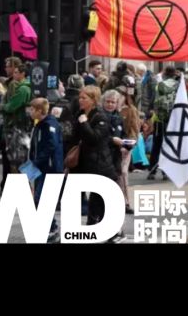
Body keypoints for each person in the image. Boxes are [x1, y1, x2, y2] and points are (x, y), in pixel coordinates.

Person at [75, 86, 120, 240]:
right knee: (95, 198)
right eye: (80, 98)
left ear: (93, 100)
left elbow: (94, 138)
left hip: (100, 164)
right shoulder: (80, 114)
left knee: (100, 198)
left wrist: (84, 123)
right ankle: (94, 227)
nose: (80, 100)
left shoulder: (100, 117)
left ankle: (110, 231)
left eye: (84, 98)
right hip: (85, 163)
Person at [28, 97, 64, 241]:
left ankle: (52, 229)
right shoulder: (40, 124)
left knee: (41, 199)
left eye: (32, 109)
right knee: (40, 199)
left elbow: (51, 146)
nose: (29, 112)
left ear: (39, 110)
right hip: (41, 167)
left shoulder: (49, 125)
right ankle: (50, 227)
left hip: (49, 168)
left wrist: (36, 162)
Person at [1, 62, 33, 184]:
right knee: (21, 158)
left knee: (18, 159)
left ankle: (26, 185)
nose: (13, 75)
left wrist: (2, 106)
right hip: (21, 127)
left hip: (19, 127)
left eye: (16, 72)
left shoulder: (23, 89)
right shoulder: (24, 87)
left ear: (23, 74)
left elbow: (11, 107)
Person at [119, 104, 141, 215]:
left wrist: (126, 147)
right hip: (110, 147)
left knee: (122, 173)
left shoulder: (130, 110)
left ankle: (125, 202)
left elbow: (134, 133)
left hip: (124, 148)